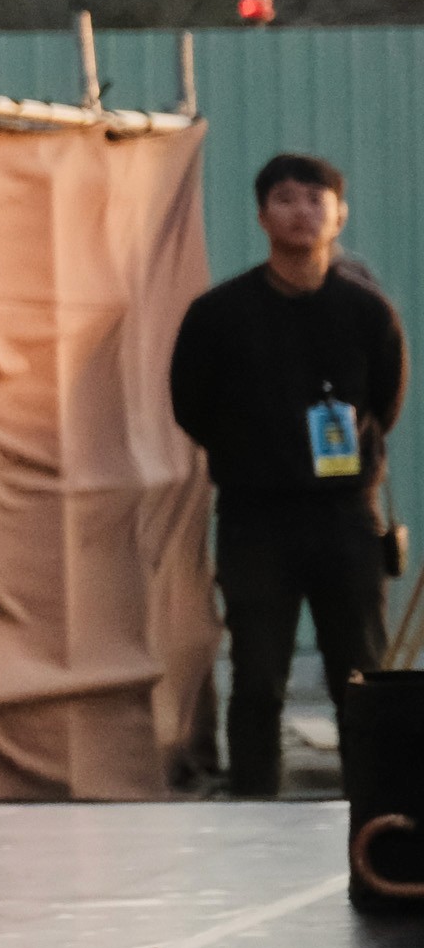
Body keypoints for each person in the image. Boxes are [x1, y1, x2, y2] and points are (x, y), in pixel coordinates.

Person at [166, 152, 408, 798]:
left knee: (360, 677)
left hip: (346, 517)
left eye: (315, 199)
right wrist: (256, 456)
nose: (302, 212)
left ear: (340, 214)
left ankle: (375, 812)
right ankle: (254, 810)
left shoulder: (367, 313)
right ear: (261, 215)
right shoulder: (219, 314)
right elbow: (190, 406)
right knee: (257, 679)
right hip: (256, 519)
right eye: (286, 199)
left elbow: (384, 403)